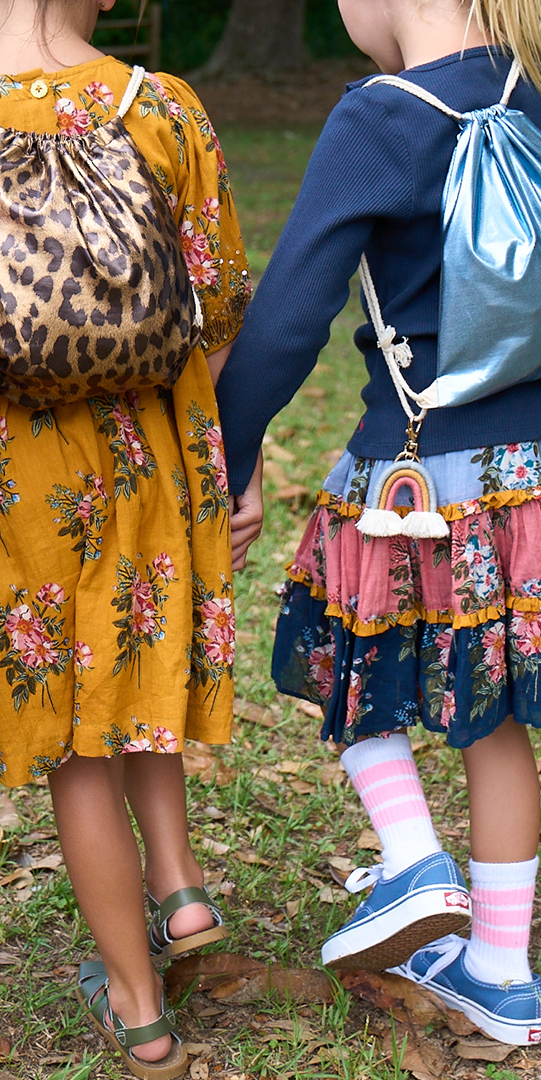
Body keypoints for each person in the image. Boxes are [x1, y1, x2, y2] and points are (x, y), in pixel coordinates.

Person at [216, 0, 541, 1047]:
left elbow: (292, 313)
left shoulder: (379, 118)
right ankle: (503, 975)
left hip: (418, 468)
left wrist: (228, 451)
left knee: (345, 652)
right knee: (497, 709)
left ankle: (415, 859)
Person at [0, 1, 250, 1077]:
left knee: (74, 745)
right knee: (134, 660)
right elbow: (224, 292)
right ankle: (182, 885)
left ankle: (142, 1014)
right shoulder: (161, 109)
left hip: (17, 472)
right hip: (142, 445)